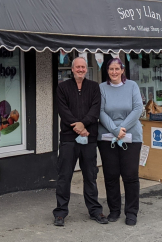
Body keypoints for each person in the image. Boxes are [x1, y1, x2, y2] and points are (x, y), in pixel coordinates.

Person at [53, 57, 108, 226]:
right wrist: (77, 127)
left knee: (90, 175)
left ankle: (95, 211)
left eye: (83, 67)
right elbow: (63, 110)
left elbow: (95, 109)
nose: (81, 69)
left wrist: (84, 124)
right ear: (72, 69)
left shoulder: (94, 87)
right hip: (69, 138)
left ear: (86, 69)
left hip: (89, 137)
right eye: (78, 67)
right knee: (65, 176)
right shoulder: (62, 87)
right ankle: (60, 212)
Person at [97, 58, 143, 226]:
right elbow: (100, 111)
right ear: (107, 71)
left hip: (131, 137)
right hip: (107, 137)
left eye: (117, 69)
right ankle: (114, 210)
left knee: (130, 176)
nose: (114, 72)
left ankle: (131, 212)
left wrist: (122, 127)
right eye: (111, 69)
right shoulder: (102, 88)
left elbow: (138, 108)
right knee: (110, 175)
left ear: (122, 70)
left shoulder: (132, 86)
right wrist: (115, 130)